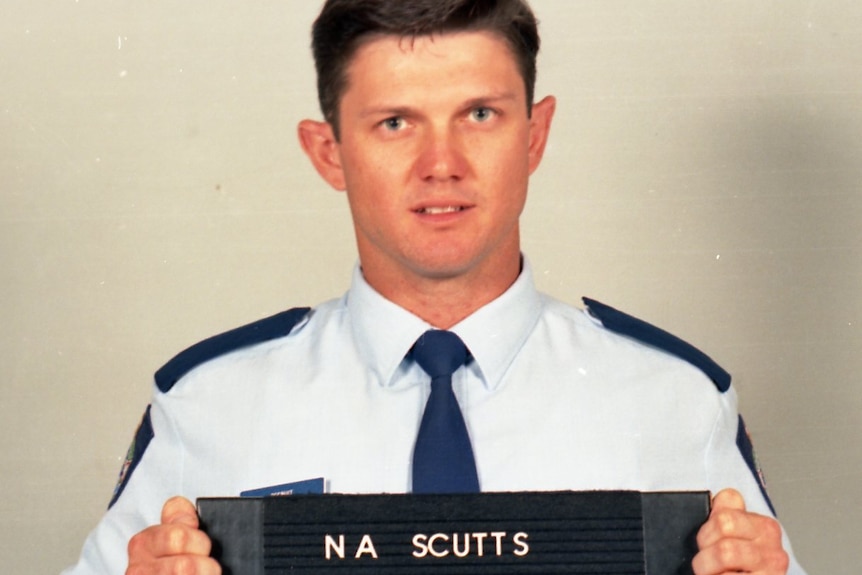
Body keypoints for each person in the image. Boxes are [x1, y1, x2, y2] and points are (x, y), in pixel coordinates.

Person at [64, 1, 806, 574]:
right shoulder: (211, 405)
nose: (441, 163)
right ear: (328, 152)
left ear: (534, 134)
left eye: (479, 114)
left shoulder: (673, 400)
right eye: (394, 123)